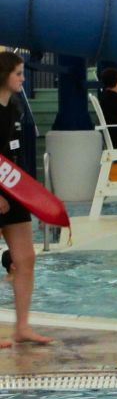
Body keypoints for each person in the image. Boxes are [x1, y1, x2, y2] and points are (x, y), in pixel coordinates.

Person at [0, 52, 51, 346]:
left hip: (12, 189)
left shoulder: (14, 107)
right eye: (18, 73)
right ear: (4, 75)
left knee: (26, 258)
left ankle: (22, 327)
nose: (23, 78)